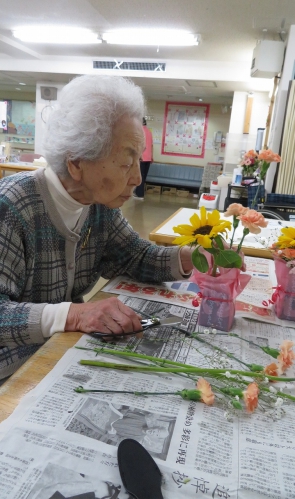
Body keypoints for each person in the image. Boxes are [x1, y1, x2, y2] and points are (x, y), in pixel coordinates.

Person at [0, 74, 193, 381]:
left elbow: (135, 256)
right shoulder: (12, 206)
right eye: (126, 162)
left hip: (61, 354)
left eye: (137, 162)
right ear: (76, 163)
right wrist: (75, 315)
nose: (137, 179)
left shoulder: (98, 205)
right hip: (12, 373)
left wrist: (191, 258)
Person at [133, 117, 153, 200]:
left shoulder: (139, 132)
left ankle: (139, 194)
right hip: (148, 158)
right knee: (144, 176)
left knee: (139, 176)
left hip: (141, 158)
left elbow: (139, 145)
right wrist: (152, 157)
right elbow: (151, 146)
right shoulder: (149, 132)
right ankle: (140, 192)